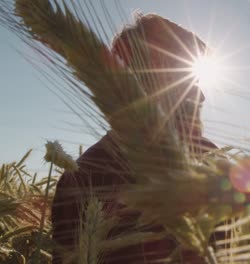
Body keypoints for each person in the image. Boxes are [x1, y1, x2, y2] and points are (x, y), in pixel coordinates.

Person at [51, 13, 217, 263]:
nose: (200, 95)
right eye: (178, 76)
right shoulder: (82, 180)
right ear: (130, 80)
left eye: (194, 78)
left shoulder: (213, 161)